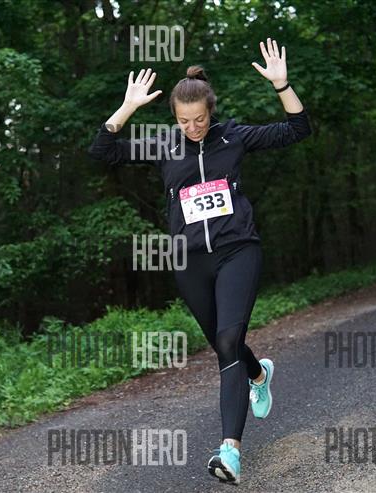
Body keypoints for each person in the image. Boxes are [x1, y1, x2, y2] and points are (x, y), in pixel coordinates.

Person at [88, 38, 311, 484]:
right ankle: (258, 373)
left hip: (238, 250)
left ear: (211, 112)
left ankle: (230, 452)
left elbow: (297, 129)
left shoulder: (233, 137)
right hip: (189, 260)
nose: (192, 128)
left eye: (200, 120)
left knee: (228, 340)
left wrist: (282, 86)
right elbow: (101, 152)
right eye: (183, 121)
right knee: (223, 343)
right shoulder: (164, 145)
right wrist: (128, 107)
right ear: (174, 117)